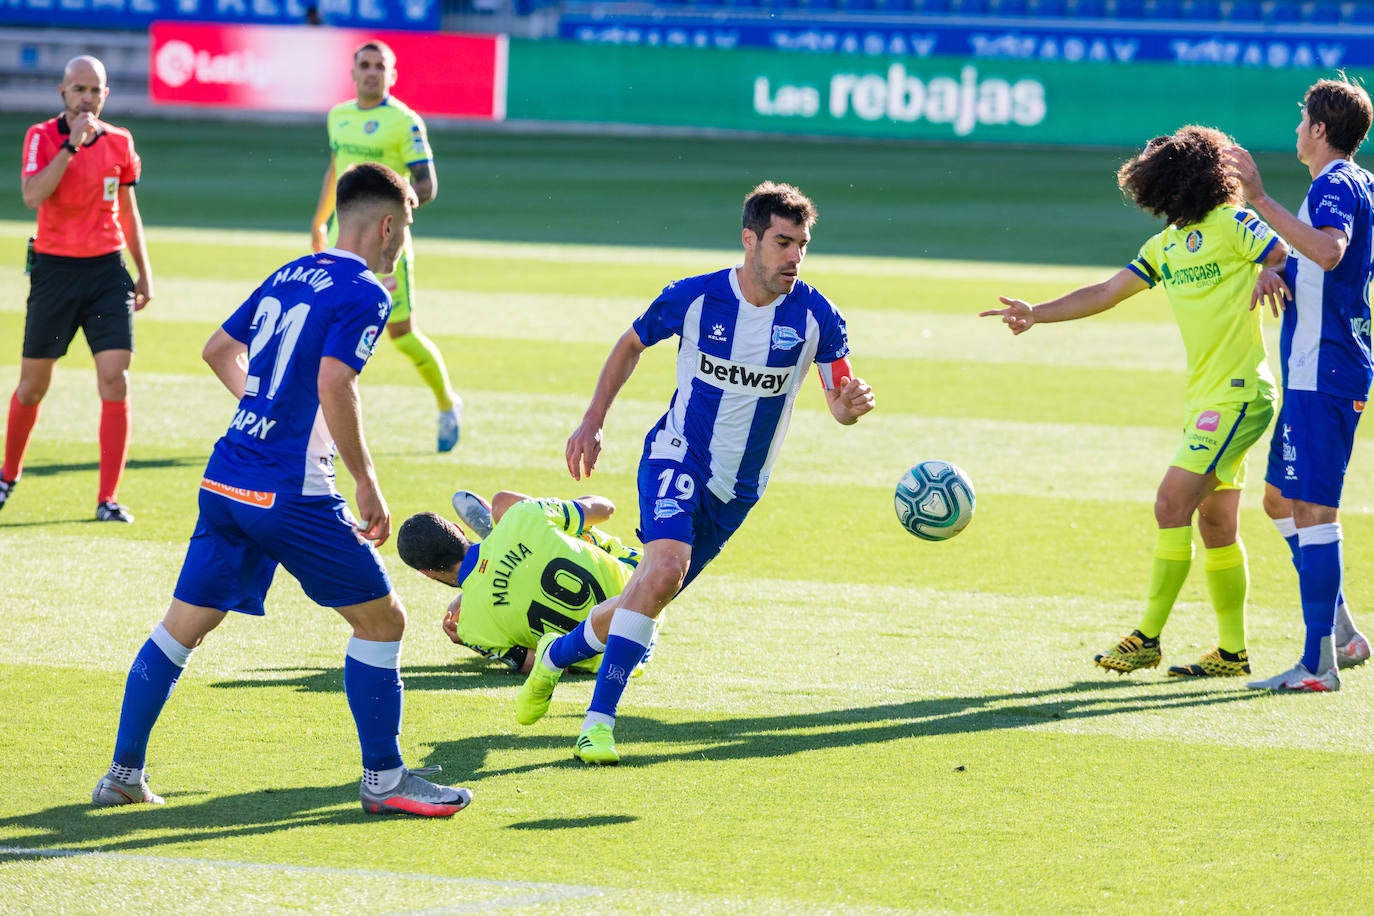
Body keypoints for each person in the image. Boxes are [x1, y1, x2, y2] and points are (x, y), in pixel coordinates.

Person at [91, 163, 472, 818]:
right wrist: (366, 480)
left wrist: (266, 408)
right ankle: (384, 778)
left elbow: (217, 350)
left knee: (181, 629)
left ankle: (122, 773)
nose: (402, 242)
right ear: (387, 225)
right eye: (405, 228)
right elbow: (335, 382)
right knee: (382, 621)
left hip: (226, 476)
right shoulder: (368, 292)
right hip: (289, 493)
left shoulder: (291, 272)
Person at [516, 181, 875, 765]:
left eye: (803, 245)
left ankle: (557, 654)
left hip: (739, 491)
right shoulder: (696, 298)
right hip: (677, 454)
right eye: (783, 242)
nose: (794, 257)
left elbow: (838, 398)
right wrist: (593, 421)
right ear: (749, 239)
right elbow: (631, 344)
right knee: (663, 570)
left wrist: (850, 405)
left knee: (648, 591)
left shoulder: (817, 316)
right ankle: (597, 724)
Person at [981, 125, 1289, 679]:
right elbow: (1105, 291)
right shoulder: (1165, 247)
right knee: (1217, 524)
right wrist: (1037, 312)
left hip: (1241, 394)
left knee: (1171, 504)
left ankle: (1147, 637)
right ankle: (1232, 652)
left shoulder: (1232, 222)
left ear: (1175, 183)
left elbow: (1281, 251)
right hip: (1209, 399)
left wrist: (1268, 270)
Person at [1226, 77, 1374, 692]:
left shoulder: (1337, 183)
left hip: (1327, 367)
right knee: (1280, 501)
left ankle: (1318, 665)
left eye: (1301, 121)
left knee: (1314, 509)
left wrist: (1258, 199)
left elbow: (1334, 251)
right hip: (1319, 364)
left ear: (1318, 129)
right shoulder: (1356, 182)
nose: (1295, 130)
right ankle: (1340, 629)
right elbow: (1325, 259)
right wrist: (1281, 269)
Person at [3, 55, 153, 523]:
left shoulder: (121, 143)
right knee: (32, 387)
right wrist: (70, 148)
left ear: (105, 96)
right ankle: (7, 475)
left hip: (107, 272)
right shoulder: (42, 137)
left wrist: (144, 271)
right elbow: (32, 196)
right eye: (79, 89)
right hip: (55, 272)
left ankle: (107, 498)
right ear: (63, 93)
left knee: (115, 378)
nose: (87, 98)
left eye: (95, 90)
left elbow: (128, 211)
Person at [309, 40, 461, 453]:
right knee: (328, 331)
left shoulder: (404, 122)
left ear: (391, 75)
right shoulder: (338, 117)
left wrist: (389, 210)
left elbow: (427, 185)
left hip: (387, 248)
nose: (372, 71)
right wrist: (321, 219)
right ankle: (322, 427)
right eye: (365, 64)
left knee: (401, 334)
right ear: (354, 72)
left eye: (380, 66)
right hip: (343, 244)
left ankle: (448, 404)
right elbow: (335, 169)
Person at [397, 490, 646, 675]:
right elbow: (606, 508)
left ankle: (496, 562)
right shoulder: (523, 515)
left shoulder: (471, 628)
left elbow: (546, 666)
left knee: (521, 627)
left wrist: (476, 642)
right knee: (564, 527)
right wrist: (544, 508)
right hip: (649, 586)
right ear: (458, 528)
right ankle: (507, 540)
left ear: (426, 573)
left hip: (628, 658)